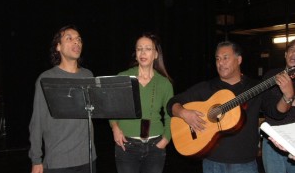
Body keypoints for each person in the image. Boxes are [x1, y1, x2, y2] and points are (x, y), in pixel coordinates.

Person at [166, 40, 293, 173]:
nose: (220, 63)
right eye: (217, 59)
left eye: (225, 58)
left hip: (245, 165)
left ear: (239, 60)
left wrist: (287, 96)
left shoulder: (255, 87)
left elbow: (277, 113)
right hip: (212, 163)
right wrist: (184, 113)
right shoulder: (207, 87)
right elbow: (172, 103)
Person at [28, 25, 96, 173]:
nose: (76, 42)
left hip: (88, 159)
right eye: (69, 39)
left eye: (79, 40)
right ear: (58, 46)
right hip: (58, 161)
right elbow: (37, 121)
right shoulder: (46, 78)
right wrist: (36, 159)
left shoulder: (88, 76)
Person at [109, 32, 174, 173]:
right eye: (139, 49)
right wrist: (114, 127)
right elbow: (112, 107)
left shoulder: (164, 83)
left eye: (148, 49)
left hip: (155, 147)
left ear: (156, 54)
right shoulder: (123, 77)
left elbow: (170, 115)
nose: (143, 52)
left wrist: (165, 140)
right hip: (127, 145)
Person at [261, 40, 295, 173]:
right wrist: (288, 97)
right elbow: (273, 112)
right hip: (273, 141)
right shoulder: (272, 76)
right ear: (286, 54)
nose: (294, 53)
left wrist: (288, 98)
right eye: (291, 50)